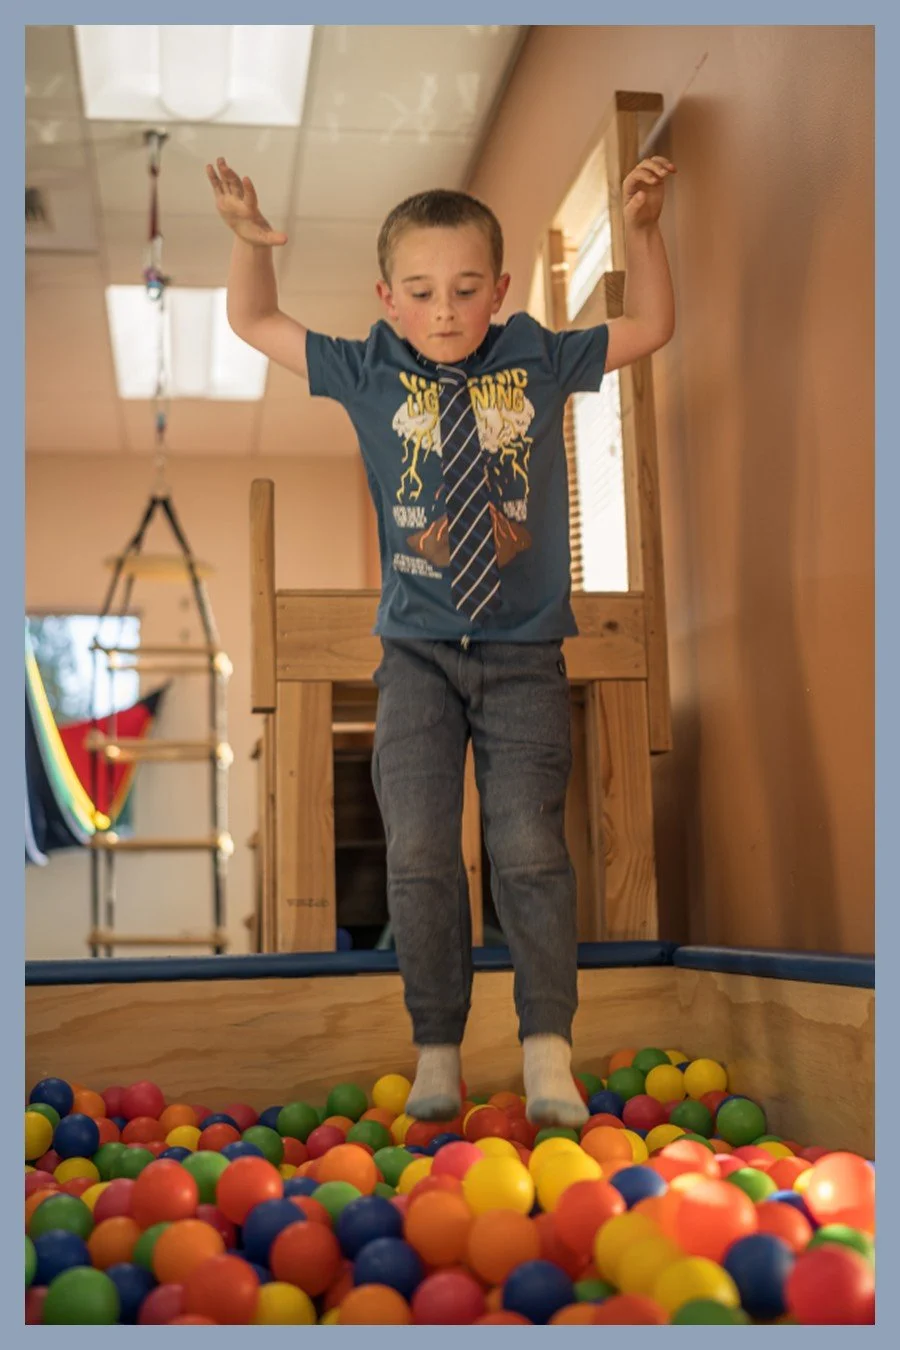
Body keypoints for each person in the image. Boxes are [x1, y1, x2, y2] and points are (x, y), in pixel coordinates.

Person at [207, 151, 676, 1126]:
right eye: (421, 292)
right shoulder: (369, 368)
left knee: (526, 848)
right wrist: (248, 245)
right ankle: (438, 1049)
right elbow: (255, 321)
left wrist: (642, 231)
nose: (447, 309)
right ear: (388, 299)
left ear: (501, 289)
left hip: (523, 659)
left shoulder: (539, 358)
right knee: (419, 850)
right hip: (415, 659)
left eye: (467, 289)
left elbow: (654, 326)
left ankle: (548, 1049)